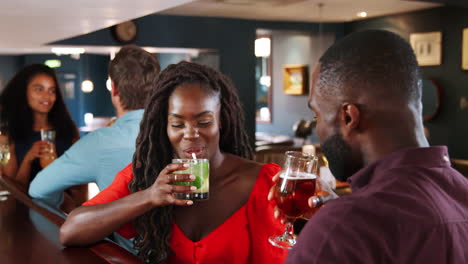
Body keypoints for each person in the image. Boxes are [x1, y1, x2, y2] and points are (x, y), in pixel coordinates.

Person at [59, 61, 288, 264]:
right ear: (165, 127)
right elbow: (71, 231)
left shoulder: (260, 181)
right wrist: (150, 197)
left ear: (222, 122)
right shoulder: (146, 177)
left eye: (204, 122)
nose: (190, 134)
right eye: (178, 125)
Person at [279, 30, 468, 263]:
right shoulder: (462, 195)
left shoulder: (341, 230)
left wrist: (335, 221)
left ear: (348, 117)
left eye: (317, 115)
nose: (318, 130)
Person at [29, 45, 161, 211]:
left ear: (114, 89)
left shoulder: (99, 142)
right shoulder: (180, 133)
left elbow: (38, 190)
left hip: (122, 237)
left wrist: (64, 204)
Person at [0, 64, 79, 187]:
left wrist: (54, 165)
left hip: (63, 205)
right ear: (23, 91)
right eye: (39, 89)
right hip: (25, 205)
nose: (47, 96)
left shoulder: (68, 129)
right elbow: (11, 191)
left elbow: (79, 185)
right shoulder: (8, 134)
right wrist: (28, 159)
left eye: (52, 90)